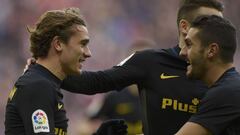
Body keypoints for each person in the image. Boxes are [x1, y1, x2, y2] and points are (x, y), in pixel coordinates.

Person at [59, 1, 224, 135]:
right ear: (184, 27)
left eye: (221, 24)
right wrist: (49, 69)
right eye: (210, 23)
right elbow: (95, 82)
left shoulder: (223, 77)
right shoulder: (149, 61)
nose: (220, 31)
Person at [4, 7, 127, 135]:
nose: (88, 53)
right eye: (82, 44)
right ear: (58, 44)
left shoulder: (43, 82)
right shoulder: (38, 86)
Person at [175, 15, 240, 135]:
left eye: (189, 44)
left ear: (211, 51)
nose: (182, 52)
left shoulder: (225, 93)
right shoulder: (232, 86)